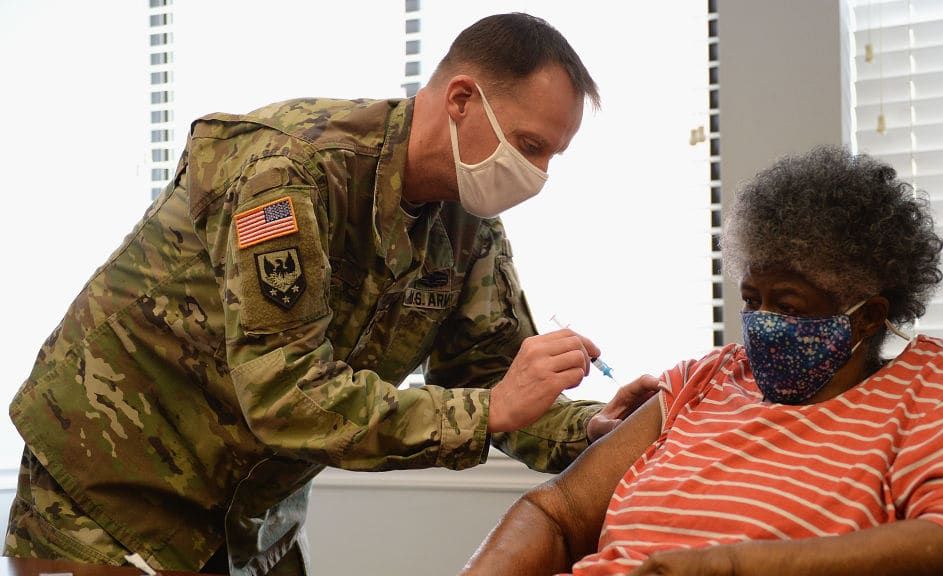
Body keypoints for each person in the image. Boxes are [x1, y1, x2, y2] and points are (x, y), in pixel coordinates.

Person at [4, 13, 657, 576]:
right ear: (461, 100)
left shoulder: (468, 229)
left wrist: (594, 429)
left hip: (251, 513)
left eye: (552, 157)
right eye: (529, 146)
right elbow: (288, 394)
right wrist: (485, 411)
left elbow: (494, 381)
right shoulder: (289, 167)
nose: (537, 175)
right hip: (112, 486)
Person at [461, 146, 943, 576]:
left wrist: (732, 566)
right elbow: (558, 511)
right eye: (752, 300)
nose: (761, 323)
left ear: (867, 315)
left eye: (788, 303)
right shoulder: (706, 378)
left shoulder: (931, 384)